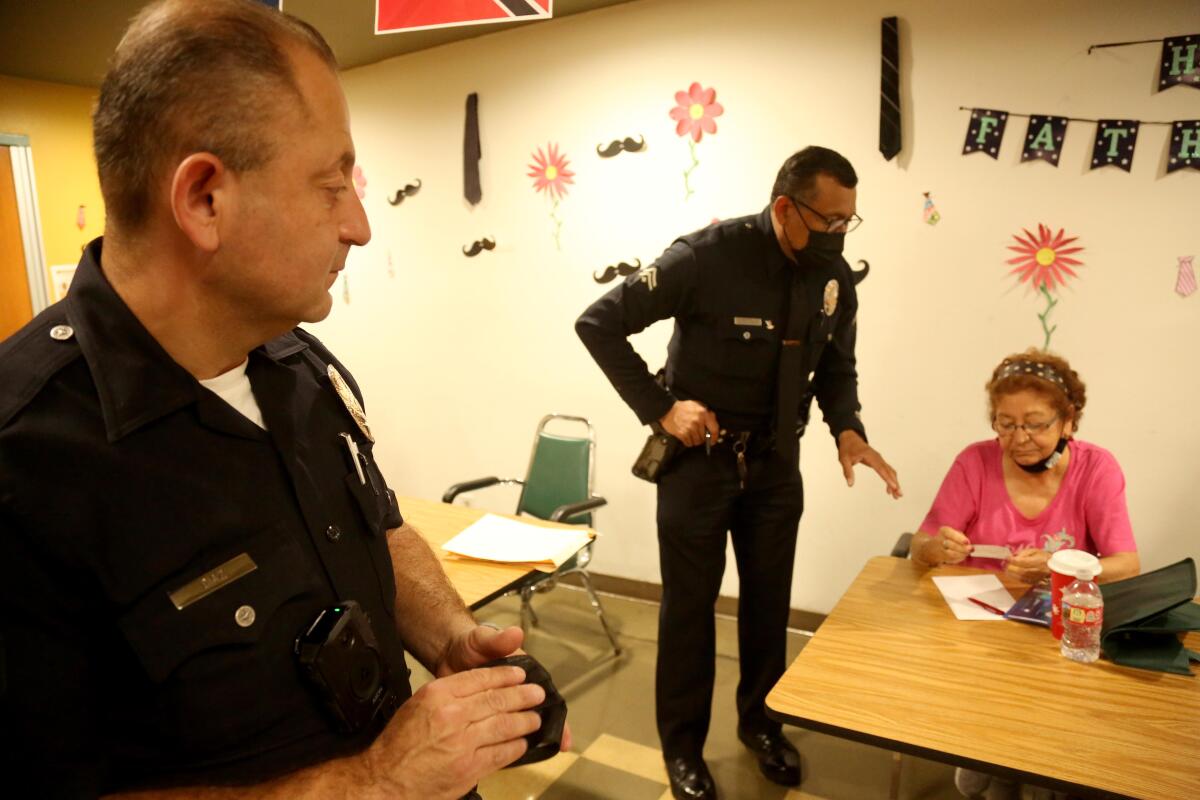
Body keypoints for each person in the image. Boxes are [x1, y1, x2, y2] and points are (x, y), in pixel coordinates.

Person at [0, 2, 561, 797]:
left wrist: (448, 635)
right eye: (332, 186)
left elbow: (380, 527)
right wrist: (374, 783)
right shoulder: (25, 465)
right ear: (204, 200)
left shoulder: (299, 360)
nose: (360, 226)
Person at [576, 146, 901, 799]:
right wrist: (662, 409)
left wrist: (848, 428)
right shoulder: (704, 258)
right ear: (786, 207)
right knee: (690, 612)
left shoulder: (831, 274)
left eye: (849, 223)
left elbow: (837, 367)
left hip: (778, 465)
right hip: (699, 468)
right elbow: (599, 323)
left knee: (766, 607)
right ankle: (684, 750)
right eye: (830, 220)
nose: (840, 235)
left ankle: (761, 724)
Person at [910, 349, 1139, 800]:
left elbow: (1127, 565)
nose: (1020, 438)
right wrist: (937, 548)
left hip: (1055, 640)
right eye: (1005, 423)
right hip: (978, 642)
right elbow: (919, 546)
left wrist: (1062, 565)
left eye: (1035, 424)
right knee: (998, 769)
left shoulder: (1097, 469)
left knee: (1043, 767)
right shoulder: (974, 462)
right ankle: (993, 761)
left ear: (1068, 421)